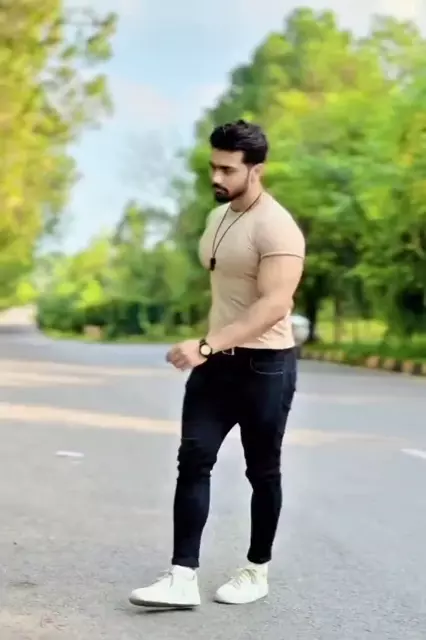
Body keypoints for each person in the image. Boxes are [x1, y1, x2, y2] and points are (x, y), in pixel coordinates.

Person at [129, 119, 305, 609]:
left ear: (257, 170)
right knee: (193, 460)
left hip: (265, 368)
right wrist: (210, 348)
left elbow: (274, 305)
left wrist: (206, 345)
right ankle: (182, 576)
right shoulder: (218, 217)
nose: (216, 177)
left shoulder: (277, 228)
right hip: (216, 365)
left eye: (228, 170)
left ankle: (256, 570)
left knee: (262, 471)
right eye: (214, 166)